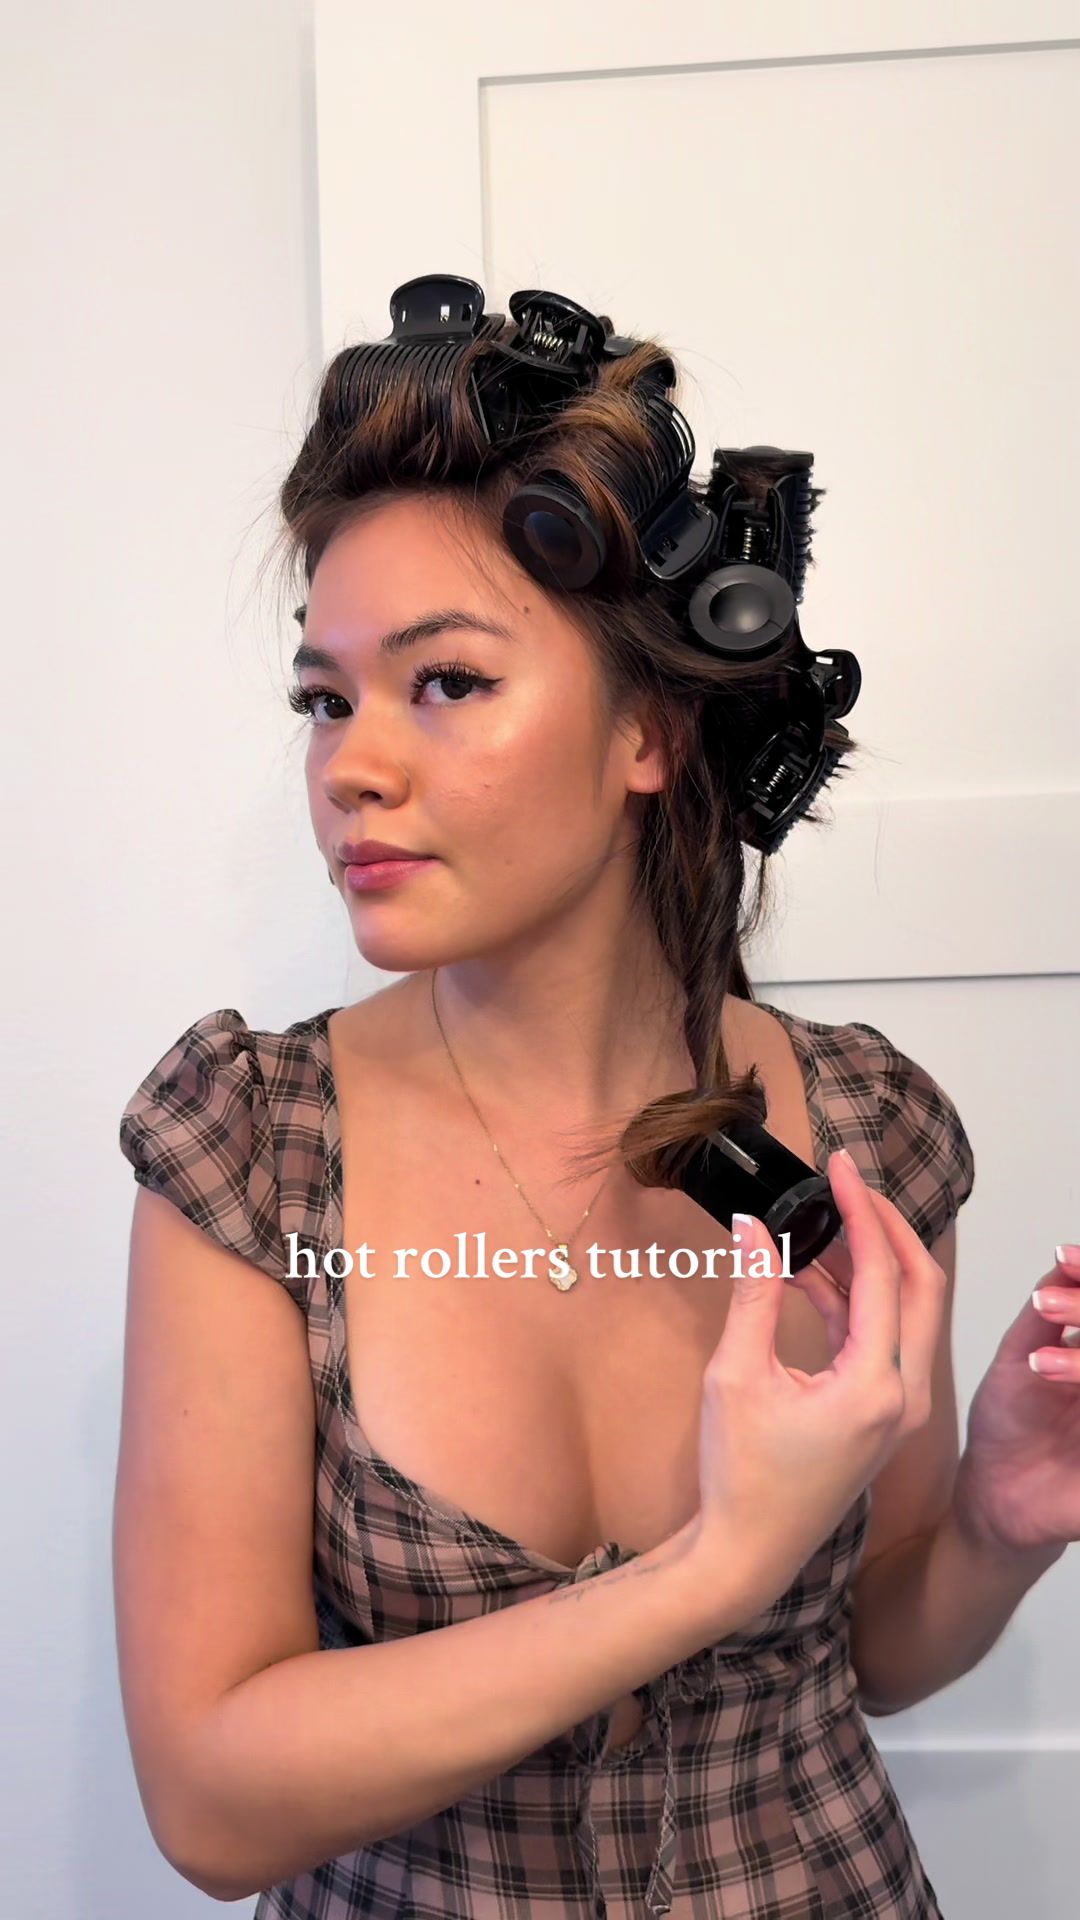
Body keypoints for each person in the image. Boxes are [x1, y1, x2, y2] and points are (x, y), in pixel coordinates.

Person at [113, 307, 980, 1917]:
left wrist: (1006, 1517)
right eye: (325, 700)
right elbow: (211, 1802)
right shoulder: (252, 1153)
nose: (351, 769)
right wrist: (707, 1573)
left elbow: (882, 1648)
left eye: (445, 681)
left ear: (651, 729)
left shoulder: (869, 1129)